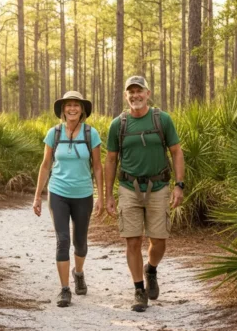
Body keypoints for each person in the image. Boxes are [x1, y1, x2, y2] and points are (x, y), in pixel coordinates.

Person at [104, 76, 185, 312]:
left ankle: (151, 269)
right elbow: (110, 159)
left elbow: (177, 152)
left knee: (159, 240)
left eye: (139, 91)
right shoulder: (118, 124)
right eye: (131, 92)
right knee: (132, 240)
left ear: (147, 93)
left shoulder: (162, 119)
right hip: (129, 188)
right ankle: (139, 289)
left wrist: (179, 185)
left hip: (158, 187)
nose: (135, 96)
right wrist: (108, 195)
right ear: (126, 96)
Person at [33, 90, 104, 308]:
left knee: (80, 242)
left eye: (76, 105)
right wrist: (37, 196)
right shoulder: (53, 134)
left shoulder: (91, 134)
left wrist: (101, 196)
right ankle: (65, 289)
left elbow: (98, 167)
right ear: (63, 109)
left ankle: (79, 273)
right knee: (62, 240)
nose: (72, 108)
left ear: (82, 109)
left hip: (83, 194)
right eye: (68, 105)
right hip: (58, 193)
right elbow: (45, 166)